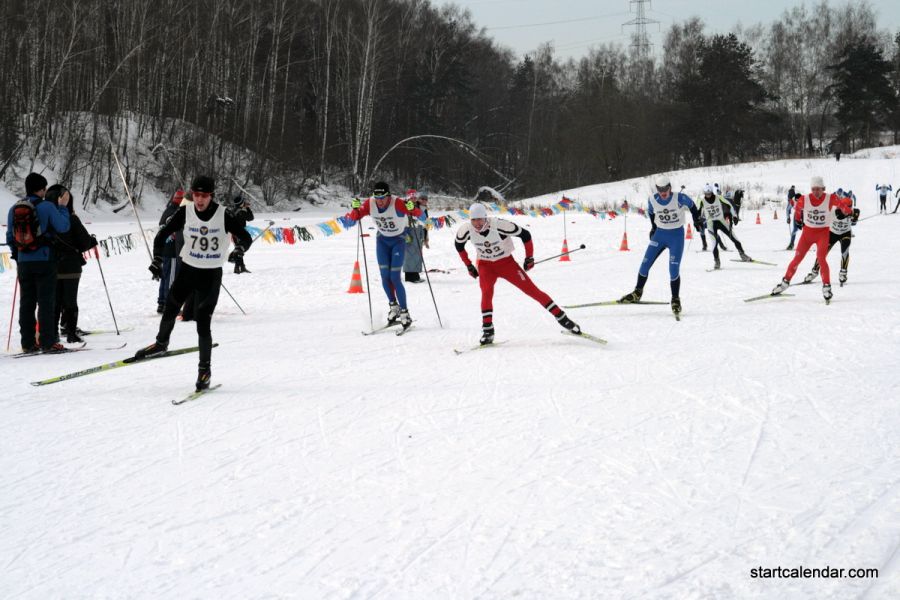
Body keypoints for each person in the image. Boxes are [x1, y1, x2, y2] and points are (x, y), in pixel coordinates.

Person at [135, 176, 253, 390]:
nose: (199, 200)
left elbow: (245, 236)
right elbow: (161, 236)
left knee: (203, 320)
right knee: (170, 306)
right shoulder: (185, 211)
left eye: (204, 196)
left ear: (211, 196)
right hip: (189, 269)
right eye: (196, 195)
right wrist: (157, 259)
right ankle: (161, 344)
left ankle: (204, 371)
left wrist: (239, 250)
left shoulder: (223, 214)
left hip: (211, 274)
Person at [455, 202, 580, 345]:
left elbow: (525, 235)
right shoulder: (465, 229)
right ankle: (488, 331)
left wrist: (529, 257)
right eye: (473, 220)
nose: (477, 223)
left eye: (480, 219)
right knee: (486, 293)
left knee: (532, 291)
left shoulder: (498, 225)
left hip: (506, 264)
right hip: (485, 266)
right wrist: (469, 266)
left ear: (485, 217)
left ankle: (563, 319)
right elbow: (458, 245)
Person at [618, 175, 702, 317]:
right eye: (660, 189)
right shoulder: (652, 199)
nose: (663, 192)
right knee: (644, 264)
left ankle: (675, 299)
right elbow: (651, 212)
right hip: (660, 235)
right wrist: (653, 227)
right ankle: (638, 292)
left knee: (673, 268)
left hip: (676, 236)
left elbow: (693, 206)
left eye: (665, 189)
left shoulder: (679, 198)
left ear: (670, 187)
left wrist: (697, 219)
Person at [6, 173, 70, 352]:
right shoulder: (47, 206)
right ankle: (47, 342)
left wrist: (18, 255)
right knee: (46, 302)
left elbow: (10, 236)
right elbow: (63, 226)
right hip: (45, 260)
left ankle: (27, 343)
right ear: (41, 189)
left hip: (24, 262)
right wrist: (63, 207)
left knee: (27, 303)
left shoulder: (14, 209)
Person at [346, 181, 422, 329]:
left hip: (398, 240)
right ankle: (394, 307)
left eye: (383, 198)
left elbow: (419, 215)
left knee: (395, 277)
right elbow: (354, 218)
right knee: (385, 277)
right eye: (377, 197)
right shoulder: (370, 203)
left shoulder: (397, 203)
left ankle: (405, 312)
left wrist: (413, 209)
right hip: (382, 241)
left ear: (388, 196)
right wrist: (355, 208)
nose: (380, 201)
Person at [772, 176, 853, 302]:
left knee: (821, 258)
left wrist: (847, 210)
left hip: (823, 234)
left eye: (819, 189)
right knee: (797, 259)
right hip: (807, 235)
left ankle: (826, 287)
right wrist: (798, 220)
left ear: (823, 189)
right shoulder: (805, 199)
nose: (816, 192)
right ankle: (785, 283)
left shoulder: (830, 198)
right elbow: (798, 209)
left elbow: (842, 204)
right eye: (814, 189)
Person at [46, 185, 98, 343]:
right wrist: (92, 241)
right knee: (70, 300)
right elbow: (84, 243)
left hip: (52, 265)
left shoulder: (45, 217)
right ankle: (70, 333)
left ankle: (53, 334)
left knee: (55, 301)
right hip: (71, 266)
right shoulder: (71, 218)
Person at [802, 200, 858, 286]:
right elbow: (837, 216)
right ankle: (814, 272)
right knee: (822, 253)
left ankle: (843, 273)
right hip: (832, 234)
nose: (846, 210)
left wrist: (854, 218)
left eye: (849, 208)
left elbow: (854, 221)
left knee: (845, 251)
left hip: (845, 233)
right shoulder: (833, 210)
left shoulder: (854, 211)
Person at [697, 184, 752, 269]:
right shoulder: (702, 201)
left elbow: (729, 205)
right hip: (711, 223)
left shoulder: (719, 197)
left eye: (709, 193)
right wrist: (698, 221)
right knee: (714, 243)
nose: (708, 196)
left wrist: (734, 216)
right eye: (706, 194)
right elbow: (697, 211)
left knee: (734, 238)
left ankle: (742, 255)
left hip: (721, 221)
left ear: (712, 192)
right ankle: (717, 261)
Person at [158, 189, 185, 313]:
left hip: (166, 249)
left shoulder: (168, 210)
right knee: (171, 278)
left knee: (165, 276)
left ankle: (162, 303)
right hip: (172, 250)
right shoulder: (175, 213)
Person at [402, 189, 429, 283]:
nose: (413, 199)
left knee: (417, 254)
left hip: (417, 232)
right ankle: (409, 276)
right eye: (411, 197)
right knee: (409, 255)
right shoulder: (404, 205)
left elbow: (423, 218)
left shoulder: (416, 205)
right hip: (409, 232)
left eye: (414, 197)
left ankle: (415, 275)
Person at [226, 194, 254, 273]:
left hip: (233, 234)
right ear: (241, 203)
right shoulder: (241, 212)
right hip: (240, 233)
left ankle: (240, 267)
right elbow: (251, 218)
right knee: (240, 250)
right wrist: (248, 208)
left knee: (239, 249)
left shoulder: (232, 211)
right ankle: (237, 267)